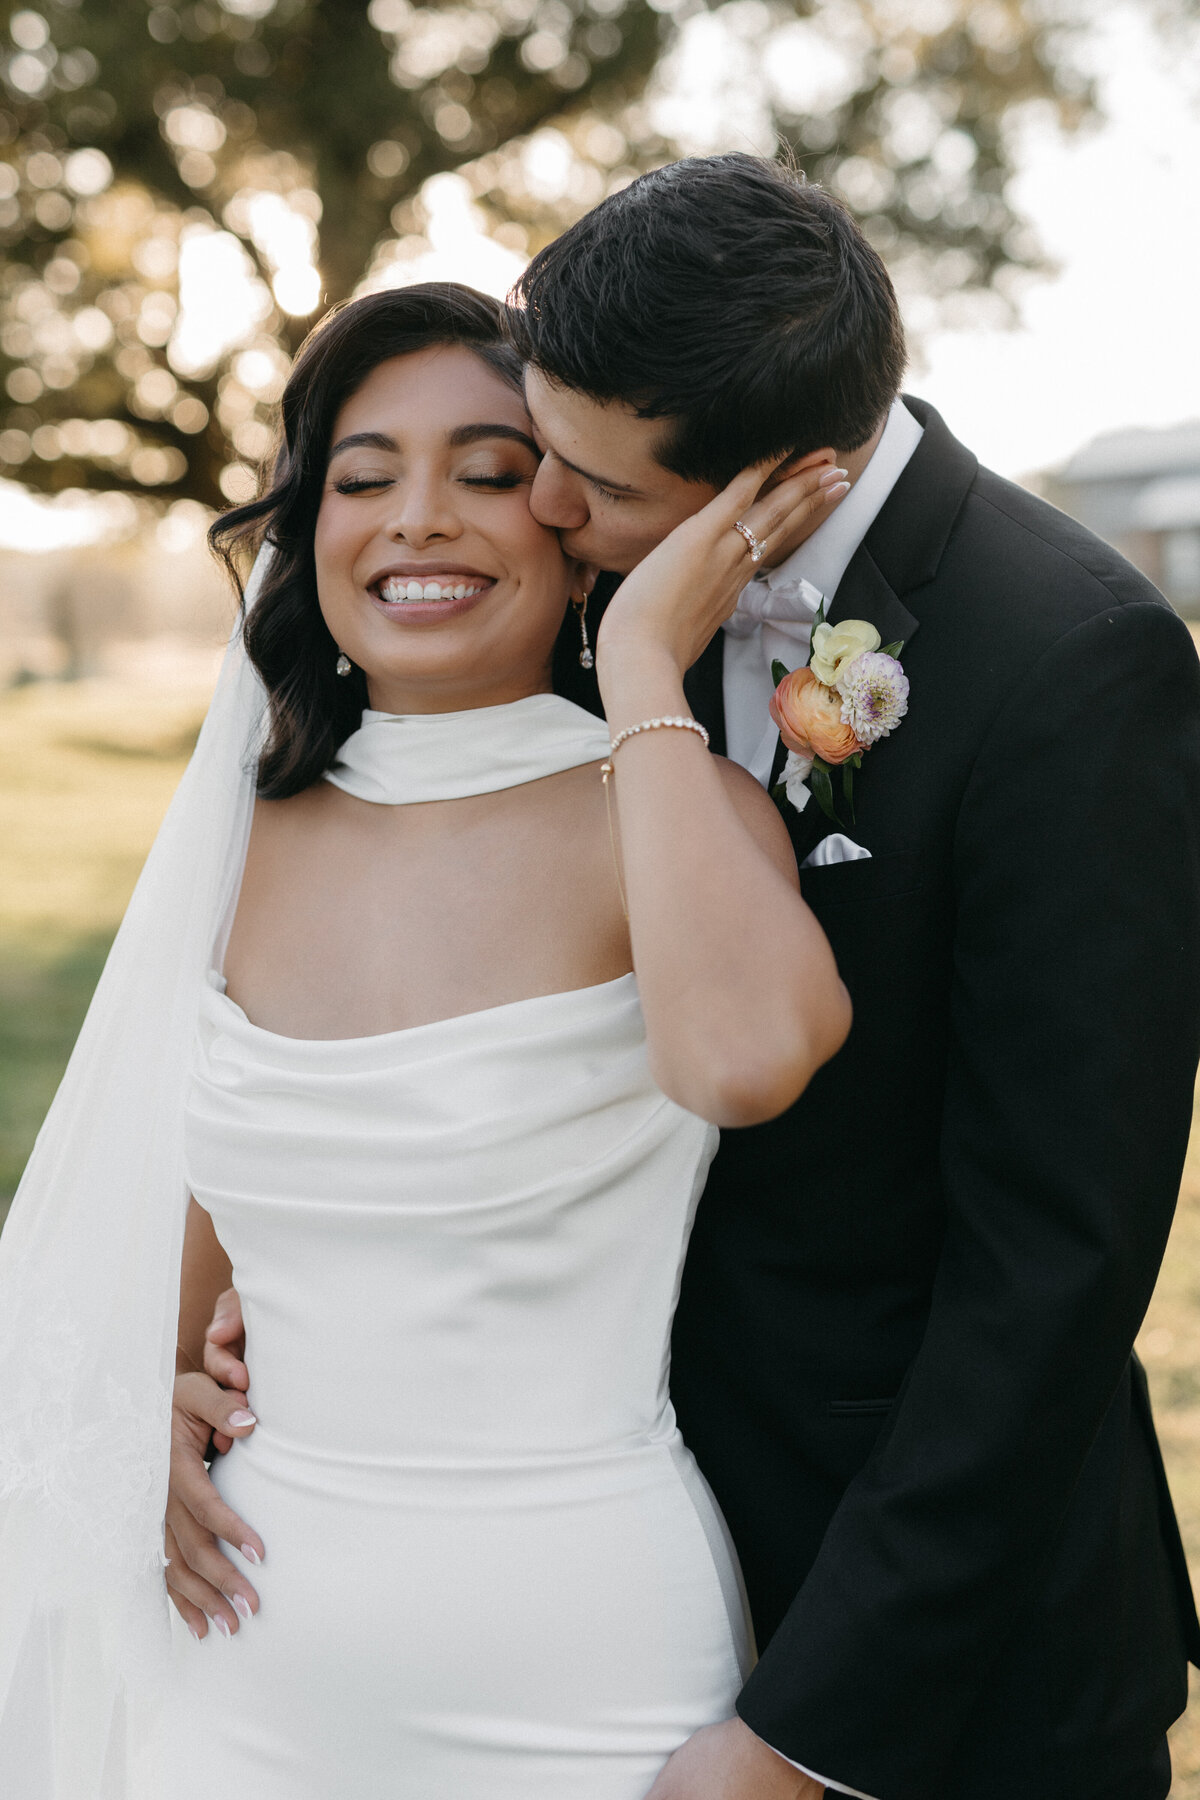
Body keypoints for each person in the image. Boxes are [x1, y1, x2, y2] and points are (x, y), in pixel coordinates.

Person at [173, 159, 1200, 1799]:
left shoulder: (1067, 660)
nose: (541, 510)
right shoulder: (579, 595)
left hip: (938, 1657)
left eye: (581, 481)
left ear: (774, 484)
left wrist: (809, 1732)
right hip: (562, 1558)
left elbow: (1051, 1274)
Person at [0, 279, 853, 1797]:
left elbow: (754, 1054)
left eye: (488, 471)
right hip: (244, 1659)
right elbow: (175, 1272)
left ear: (575, 523)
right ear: (309, 528)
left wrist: (643, 668)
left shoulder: (665, 810)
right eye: (364, 477)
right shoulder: (236, 846)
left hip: (583, 1666)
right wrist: (160, 1409)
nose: (419, 519)